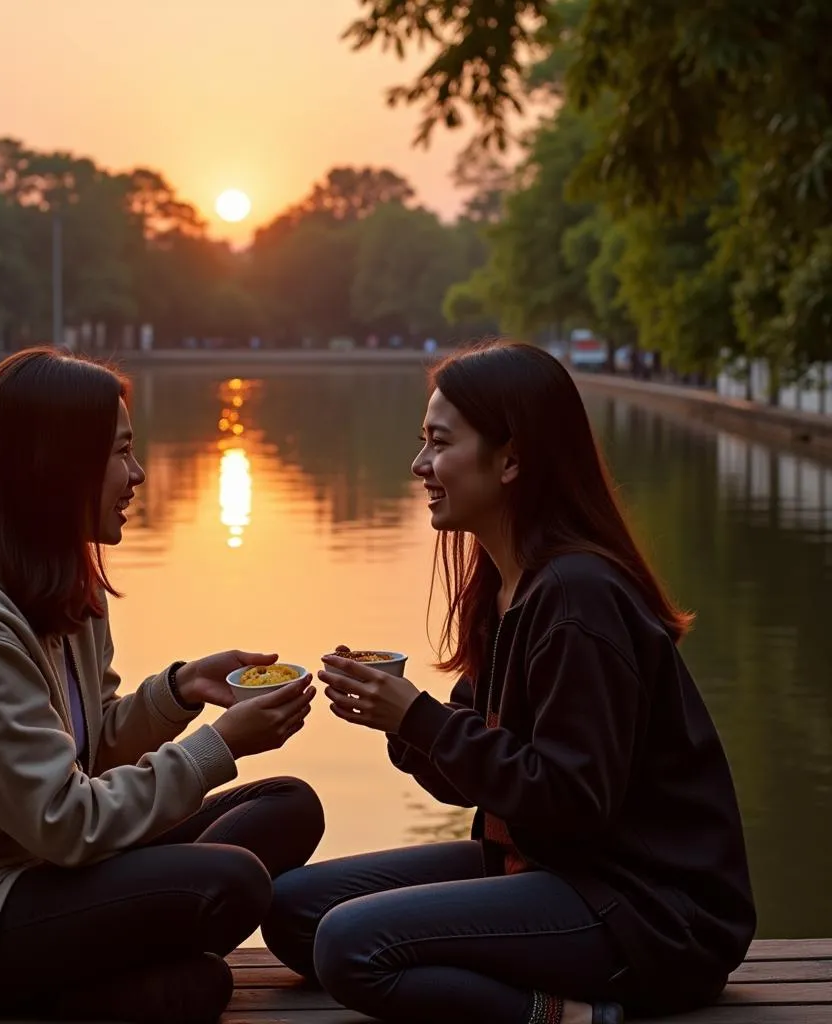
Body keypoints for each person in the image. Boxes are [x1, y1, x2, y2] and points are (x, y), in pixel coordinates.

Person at [262, 341, 755, 1024]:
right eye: (421, 442)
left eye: (439, 443)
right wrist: (397, 722)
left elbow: (572, 801)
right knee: (290, 911)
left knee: (351, 946)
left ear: (512, 459)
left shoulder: (579, 599)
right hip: (541, 867)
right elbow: (480, 776)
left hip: (645, 909)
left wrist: (419, 721)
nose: (419, 465)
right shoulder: (506, 586)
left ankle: (573, 1016)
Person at [0, 348, 323, 1024]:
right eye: (120, 453)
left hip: (43, 870)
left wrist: (180, 692)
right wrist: (220, 746)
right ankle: (116, 974)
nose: (137, 474)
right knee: (233, 882)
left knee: (288, 807)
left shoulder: (59, 588)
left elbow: (87, 753)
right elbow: (66, 822)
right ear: (53, 466)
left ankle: (123, 968)